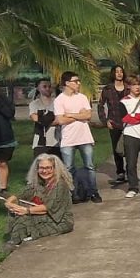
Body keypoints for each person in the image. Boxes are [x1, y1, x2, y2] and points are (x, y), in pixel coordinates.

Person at [3, 154, 74, 251]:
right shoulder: (39, 183)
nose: (44, 171)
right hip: (46, 216)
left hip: (60, 221)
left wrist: (26, 210)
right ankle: (16, 239)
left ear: (55, 169)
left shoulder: (60, 185)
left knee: (24, 216)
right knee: (18, 210)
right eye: (41, 168)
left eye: (48, 168)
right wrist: (9, 202)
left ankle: (15, 241)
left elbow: (48, 207)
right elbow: (21, 194)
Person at [53, 71, 100, 203]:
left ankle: (93, 192)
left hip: (85, 137)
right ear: (67, 83)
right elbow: (60, 120)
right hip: (68, 139)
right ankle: (73, 193)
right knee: (69, 168)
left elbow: (88, 115)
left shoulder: (82, 97)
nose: (78, 83)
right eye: (75, 81)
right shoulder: (59, 100)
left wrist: (70, 114)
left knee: (89, 166)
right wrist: (79, 115)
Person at [97, 65, 128, 184]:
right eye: (117, 72)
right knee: (117, 149)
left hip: (128, 123)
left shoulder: (128, 88)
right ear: (113, 74)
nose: (119, 74)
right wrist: (105, 121)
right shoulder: (107, 89)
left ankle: (131, 172)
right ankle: (120, 173)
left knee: (129, 148)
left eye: (121, 71)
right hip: (114, 123)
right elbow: (100, 105)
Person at [28, 78, 60, 158]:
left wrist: (43, 119)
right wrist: (51, 118)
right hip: (39, 142)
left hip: (56, 141)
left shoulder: (58, 102)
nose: (48, 89)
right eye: (44, 86)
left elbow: (59, 119)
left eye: (49, 86)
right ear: (38, 88)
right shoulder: (34, 104)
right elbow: (34, 118)